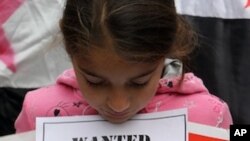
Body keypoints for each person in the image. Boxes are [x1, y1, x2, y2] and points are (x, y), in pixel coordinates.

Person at [14, 0, 233, 133]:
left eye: (139, 82)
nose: (118, 105)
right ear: (71, 51)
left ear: (166, 50)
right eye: (94, 81)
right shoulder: (39, 113)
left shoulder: (209, 116)